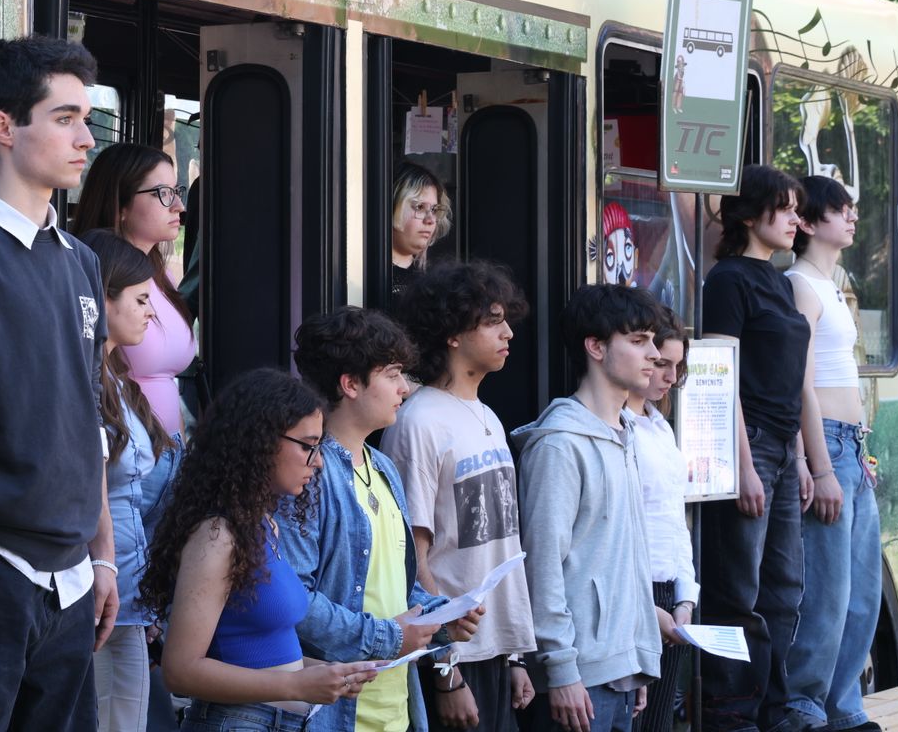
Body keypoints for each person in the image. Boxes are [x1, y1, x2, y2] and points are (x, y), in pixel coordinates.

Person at [0, 36, 117, 732]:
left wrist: (104, 557)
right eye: (65, 118)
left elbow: (89, 418)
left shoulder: (80, 263)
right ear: (4, 128)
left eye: (87, 120)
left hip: (76, 576)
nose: (84, 138)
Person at [278, 307, 486, 732]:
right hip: (334, 713)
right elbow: (294, 601)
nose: (405, 389)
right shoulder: (309, 474)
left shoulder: (385, 468)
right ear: (350, 383)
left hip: (397, 708)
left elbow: (395, 583)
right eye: (392, 374)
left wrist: (440, 614)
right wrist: (388, 638)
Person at [140, 368, 382, 732]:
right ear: (260, 441)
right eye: (307, 445)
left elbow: (267, 654)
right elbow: (180, 670)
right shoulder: (218, 535)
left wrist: (329, 673)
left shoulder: (263, 525)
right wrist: (297, 684)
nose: (317, 461)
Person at [383, 261, 536, 732]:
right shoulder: (419, 420)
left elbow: (498, 546)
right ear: (452, 332)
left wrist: (513, 655)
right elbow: (415, 556)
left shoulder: (486, 413)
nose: (508, 331)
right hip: (449, 656)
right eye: (492, 320)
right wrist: (446, 670)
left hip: (493, 650)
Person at [514, 284, 664, 732]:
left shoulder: (626, 433)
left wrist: (637, 657)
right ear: (595, 347)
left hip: (619, 671)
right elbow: (543, 565)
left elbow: (625, 556)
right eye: (638, 341)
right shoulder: (560, 445)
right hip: (577, 680)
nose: (654, 354)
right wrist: (560, 670)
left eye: (653, 341)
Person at [698, 164, 810, 732]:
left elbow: (786, 377)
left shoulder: (782, 282)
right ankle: (730, 713)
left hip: (783, 451)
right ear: (749, 213)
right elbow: (719, 378)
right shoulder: (728, 280)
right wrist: (743, 466)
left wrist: (801, 457)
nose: (797, 218)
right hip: (751, 445)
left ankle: (775, 707)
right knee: (736, 590)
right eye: (786, 207)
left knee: (784, 591)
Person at [786, 176, 882, 732]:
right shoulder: (800, 284)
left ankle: (844, 707)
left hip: (852, 446)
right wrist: (815, 462)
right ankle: (806, 707)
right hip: (831, 447)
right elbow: (800, 384)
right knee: (827, 591)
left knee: (862, 593)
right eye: (841, 210)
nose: (851, 218)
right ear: (810, 222)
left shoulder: (831, 283)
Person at [78, 228, 184, 732]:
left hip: (130, 595)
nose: (150, 312)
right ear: (102, 299)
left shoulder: (118, 379)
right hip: (99, 592)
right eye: (141, 299)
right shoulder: (84, 380)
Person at [72, 144, 197, 436]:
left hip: (170, 456)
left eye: (176, 192)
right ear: (121, 205)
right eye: (163, 194)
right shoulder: (94, 272)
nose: (179, 206)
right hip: (127, 457)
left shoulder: (163, 275)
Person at [626, 308, 698, 732]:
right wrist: (648, 605)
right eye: (661, 363)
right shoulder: (620, 427)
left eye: (677, 366)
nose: (670, 376)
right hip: (639, 589)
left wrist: (686, 598)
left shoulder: (661, 427)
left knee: (659, 722)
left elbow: (676, 519)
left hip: (671, 591)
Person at [390, 164, 450, 298]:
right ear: (394, 208)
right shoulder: (366, 276)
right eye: (419, 207)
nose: (430, 220)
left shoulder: (437, 281)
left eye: (434, 210)